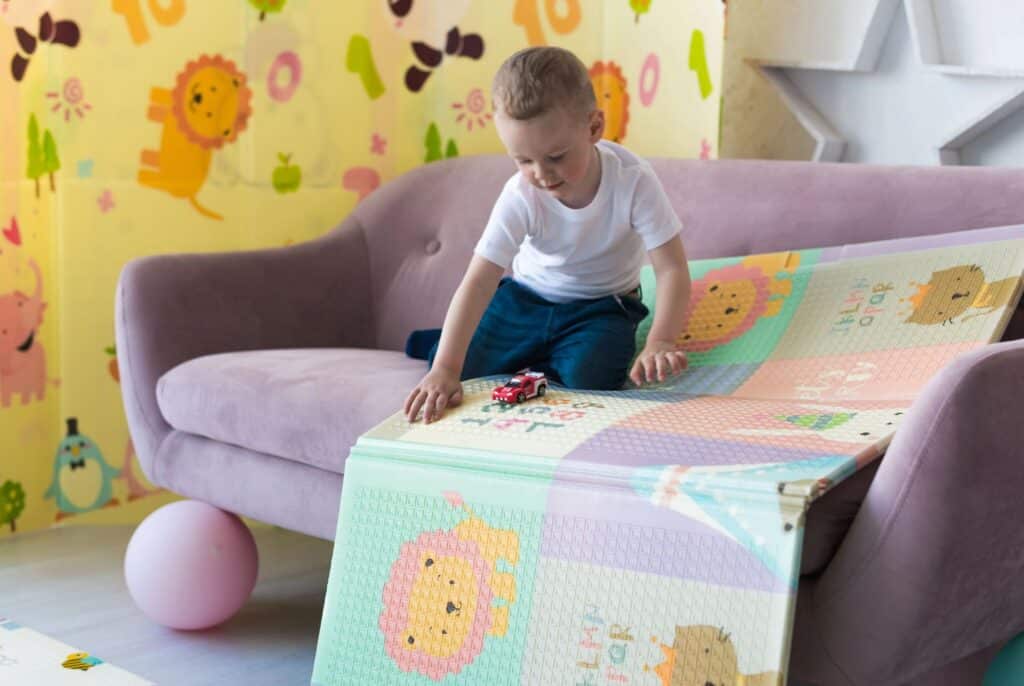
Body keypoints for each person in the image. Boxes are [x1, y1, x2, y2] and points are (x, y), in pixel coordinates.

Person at [404, 46, 692, 423]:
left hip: (602, 306)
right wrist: (445, 368)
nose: (540, 174)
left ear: (593, 128)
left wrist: (660, 341)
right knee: (462, 367)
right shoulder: (520, 194)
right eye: (523, 160)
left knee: (591, 379)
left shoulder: (633, 181)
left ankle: (539, 351)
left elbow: (671, 268)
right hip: (526, 299)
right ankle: (452, 340)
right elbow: (479, 280)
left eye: (556, 156)